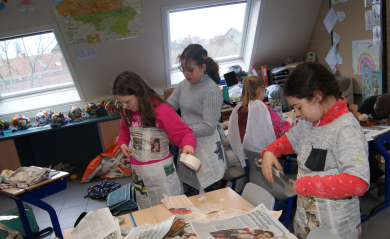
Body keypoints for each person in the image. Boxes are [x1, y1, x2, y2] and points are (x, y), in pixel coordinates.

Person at [261, 62, 369, 239]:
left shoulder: (346, 129)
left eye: (298, 107)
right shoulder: (310, 121)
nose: (296, 113)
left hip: (335, 228)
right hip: (308, 220)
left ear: (317, 97)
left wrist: (307, 184)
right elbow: (291, 140)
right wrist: (272, 150)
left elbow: (358, 181)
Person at [114, 71, 196, 209]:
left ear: (139, 92)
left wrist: (187, 144)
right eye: (121, 103)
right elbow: (124, 131)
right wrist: (122, 143)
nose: (125, 107)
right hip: (139, 173)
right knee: (147, 209)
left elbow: (183, 133)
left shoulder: (162, 110)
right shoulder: (127, 112)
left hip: (161, 172)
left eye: (127, 102)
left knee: (170, 209)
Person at [167, 44, 226, 196]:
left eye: (190, 69)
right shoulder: (184, 85)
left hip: (206, 148)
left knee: (213, 197)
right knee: (190, 193)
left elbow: (208, 127)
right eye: (183, 69)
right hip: (188, 146)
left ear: (203, 67)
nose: (186, 74)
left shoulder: (211, 90)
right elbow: (168, 107)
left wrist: (181, 131)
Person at [228, 76, 291, 167]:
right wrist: (288, 122)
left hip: (247, 156)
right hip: (264, 157)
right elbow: (279, 131)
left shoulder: (239, 108)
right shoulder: (263, 108)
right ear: (260, 91)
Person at [356, 93, 390, 195]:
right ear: (378, 99)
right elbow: (357, 113)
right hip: (375, 136)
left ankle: (377, 177)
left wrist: (386, 120)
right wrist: (360, 116)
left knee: (367, 151)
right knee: (363, 151)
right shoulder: (371, 101)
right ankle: (376, 177)